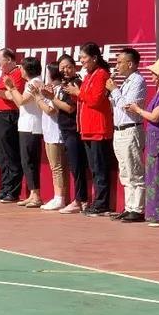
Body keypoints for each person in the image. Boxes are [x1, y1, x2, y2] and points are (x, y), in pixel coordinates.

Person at [128, 56, 159, 228]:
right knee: (153, 175)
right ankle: (155, 214)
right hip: (154, 139)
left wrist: (137, 110)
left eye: (154, 73)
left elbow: (156, 116)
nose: (151, 76)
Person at [65, 43, 113, 216]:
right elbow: (84, 99)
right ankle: (97, 202)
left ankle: (102, 204)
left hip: (98, 128)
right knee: (94, 168)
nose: (82, 60)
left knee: (100, 168)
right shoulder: (88, 76)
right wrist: (72, 93)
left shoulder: (101, 75)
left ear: (94, 58)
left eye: (84, 57)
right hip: (87, 129)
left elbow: (95, 100)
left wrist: (78, 93)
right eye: (81, 57)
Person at [107, 47, 147, 223]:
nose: (117, 66)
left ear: (130, 64)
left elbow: (128, 106)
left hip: (131, 129)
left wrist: (114, 90)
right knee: (125, 170)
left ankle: (138, 209)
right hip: (119, 130)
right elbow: (117, 105)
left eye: (120, 62)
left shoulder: (138, 81)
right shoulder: (125, 82)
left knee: (134, 169)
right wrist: (112, 93)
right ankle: (129, 206)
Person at [0, 48, 24, 203]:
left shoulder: (17, 73)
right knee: (2, 154)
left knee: (10, 153)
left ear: (9, 59)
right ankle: (5, 188)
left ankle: (12, 191)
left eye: (0, 60)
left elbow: (10, 95)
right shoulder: (3, 75)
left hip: (8, 115)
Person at [4, 57, 44, 208]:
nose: (20, 70)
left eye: (22, 67)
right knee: (26, 161)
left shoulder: (35, 82)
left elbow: (21, 101)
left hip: (32, 126)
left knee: (30, 161)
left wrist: (12, 87)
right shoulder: (30, 83)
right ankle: (33, 193)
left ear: (28, 69)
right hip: (25, 125)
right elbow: (20, 104)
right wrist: (11, 90)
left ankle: (36, 195)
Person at [53, 55, 88, 214]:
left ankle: (80, 200)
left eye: (68, 67)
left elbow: (70, 108)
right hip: (65, 131)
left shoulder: (75, 84)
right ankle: (80, 199)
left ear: (75, 67)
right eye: (62, 67)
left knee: (77, 166)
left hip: (74, 131)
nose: (65, 70)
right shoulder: (63, 85)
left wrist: (51, 98)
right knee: (74, 166)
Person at [35, 62, 69, 211]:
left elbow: (51, 110)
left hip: (56, 132)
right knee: (55, 166)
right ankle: (58, 197)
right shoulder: (51, 88)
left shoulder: (59, 89)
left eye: (48, 73)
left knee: (57, 167)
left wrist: (38, 98)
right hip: (49, 131)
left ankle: (60, 198)